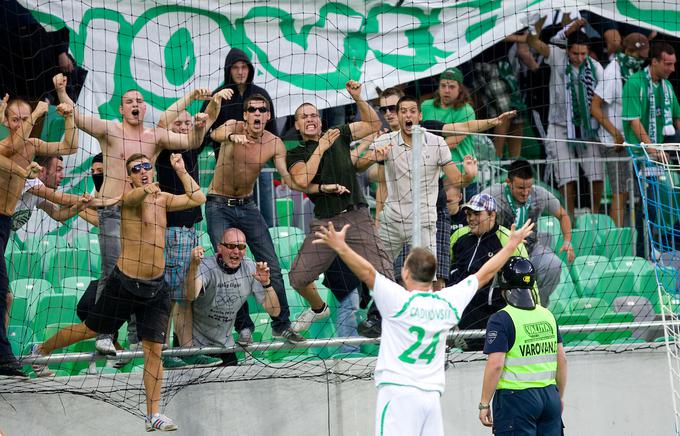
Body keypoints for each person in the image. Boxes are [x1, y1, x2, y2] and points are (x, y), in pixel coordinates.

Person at [312, 216, 535, 436]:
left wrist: (341, 247)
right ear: (432, 276)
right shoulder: (446, 303)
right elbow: (484, 274)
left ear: (405, 273)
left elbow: (368, 273)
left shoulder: (397, 301)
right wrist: (511, 245)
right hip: (430, 397)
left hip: (398, 394)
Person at [31, 152, 206, 431]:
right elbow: (134, 199)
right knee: (89, 329)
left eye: (147, 166)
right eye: (136, 169)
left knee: (154, 351)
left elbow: (198, 198)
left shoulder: (163, 199)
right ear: (130, 177)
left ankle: (153, 415)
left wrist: (181, 170)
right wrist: (144, 189)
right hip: (124, 284)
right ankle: (39, 350)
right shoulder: (127, 199)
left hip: (156, 288)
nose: (143, 171)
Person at [53, 73, 226, 355]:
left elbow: (193, 141)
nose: (136, 104)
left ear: (145, 108)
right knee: (111, 272)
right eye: (129, 101)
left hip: (144, 211)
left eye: (140, 101)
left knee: (141, 275)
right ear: (121, 109)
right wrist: (61, 91)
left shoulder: (154, 136)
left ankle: (135, 337)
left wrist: (202, 119)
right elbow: (77, 116)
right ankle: (105, 334)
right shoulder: (109, 130)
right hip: (113, 210)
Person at [286, 80, 393, 335]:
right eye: (304, 117)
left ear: (320, 121)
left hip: (356, 216)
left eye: (314, 115)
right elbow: (302, 180)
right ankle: (318, 308)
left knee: (386, 273)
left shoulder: (338, 133)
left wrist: (358, 98)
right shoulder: (296, 152)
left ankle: (387, 322)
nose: (311, 119)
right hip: (324, 224)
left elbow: (374, 125)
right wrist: (321, 148)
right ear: (298, 125)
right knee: (297, 278)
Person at [207, 94, 302, 343]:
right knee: (228, 265)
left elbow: (288, 177)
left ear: (268, 116)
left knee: (270, 264)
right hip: (219, 204)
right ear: (245, 115)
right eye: (252, 109)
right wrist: (231, 137)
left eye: (262, 110)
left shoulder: (274, 143)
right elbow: (213, 134)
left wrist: (313, 185)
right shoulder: (232, 127)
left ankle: (282, 324)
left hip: (248, 206)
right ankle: (244, 327)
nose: (257, 113)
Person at [154, 89, 232, 368]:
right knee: (170, 295)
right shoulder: (164, 148)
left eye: (187, 124)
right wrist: (189, 99)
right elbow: (163, 121)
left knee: (186, 295)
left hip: (190, 228)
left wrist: (215, 101)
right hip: (172, 229)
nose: (184, 127)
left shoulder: (191, 146)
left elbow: (207, 120)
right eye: (180, 124)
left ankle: (186, 350)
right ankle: (163, 353)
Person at [358, 95, 478, 277]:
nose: (408, 115)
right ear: (398, 117)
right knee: (376, 274)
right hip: (392, 221)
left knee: (426, 277)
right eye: (403, 111)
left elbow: (458, 181)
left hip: (423, 221)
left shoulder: (436, 143)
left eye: (412, 111)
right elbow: (358, 166)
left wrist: (469, 175)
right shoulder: (386, 141)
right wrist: (373, 157)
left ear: (420, 116)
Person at [0, 98, 78, 377]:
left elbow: (70, 147)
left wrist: (69, 118)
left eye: (25, 119)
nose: (22, 124)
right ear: (6, 122)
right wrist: (36, 113)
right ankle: (4, 356)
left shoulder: (32, 151)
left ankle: (4, 354)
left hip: (3, 231)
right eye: (16, 119)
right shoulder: (5, 150)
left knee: (6, 297)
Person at [479, 257, 567, 435]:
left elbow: (496, 364)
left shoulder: (501, 319)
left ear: (504, 285)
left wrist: (484, 403)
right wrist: (559, 397)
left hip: (516, 400)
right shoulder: (547, 315)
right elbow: (562, 360)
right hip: (549, 396)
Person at [528, 28, 605, 216]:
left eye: (583, 54)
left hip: (588, 129)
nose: (579, 58)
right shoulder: (556, 56)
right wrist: (563, 30)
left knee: (596, 174)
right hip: (559, 126)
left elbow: (603, 102)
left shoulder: (596, 68)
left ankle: (594, 217)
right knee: (566, 176)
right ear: (567, 50)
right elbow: (532, 41)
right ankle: (568, 217)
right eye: (575, 53)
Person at [202, 48, 277, 227]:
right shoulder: (218, 95)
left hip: (258, 163)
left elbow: (273, 132)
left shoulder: (261, 95)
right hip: (226, 165)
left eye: (244, 67)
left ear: (250, 69)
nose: (240, 71)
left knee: (265, 219)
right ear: (228, 70)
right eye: (235, 67)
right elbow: (205, 131)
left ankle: (269, 236)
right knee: (229, 219)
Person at [481, 159, 574, 306]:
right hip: (501, 252)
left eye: (528, 187)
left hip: (531, 248)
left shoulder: (539, 194)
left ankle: (537, 307)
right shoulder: (493, 194)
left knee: (554, 265)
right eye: (520, 188)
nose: (525, 193)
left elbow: (563, 215)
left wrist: (567, 240)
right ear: (509, 182)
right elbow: (476, 214)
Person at [449, 193, 531, 351]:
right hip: (459, 317)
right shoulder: (459, 236)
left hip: (492, 319)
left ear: (492, 215)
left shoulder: (509, 241)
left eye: (477, 214)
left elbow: (527, 282)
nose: (471, 218)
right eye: (468, 214)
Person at [185, 228, 279, 363]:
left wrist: (267, 284)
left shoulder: (250, 268)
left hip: (224, 346)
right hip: (195, 347)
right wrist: (194, 266)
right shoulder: (206, 265)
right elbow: (190, 295)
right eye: (230, 246)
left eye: (241, 247)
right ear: (219, 248)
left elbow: (275, 311)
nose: (236, 251)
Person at [591, 32, 649, 227]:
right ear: (628, 51)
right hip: (614, 142)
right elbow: (595, 107)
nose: (641, 60)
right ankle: (619, 240)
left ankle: (633, 238)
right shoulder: (613, 72)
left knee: (635, 192)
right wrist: (615, 132)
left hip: (633, 142)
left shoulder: (635, 73)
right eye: (638, 56)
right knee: (620, 192)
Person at [420, 67, 478, 199]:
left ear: (460, 89)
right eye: (443, 86)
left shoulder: (466, 110)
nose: (446, 90)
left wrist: (422, 150)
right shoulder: (425, 106)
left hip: (461, 176)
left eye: (451, 87)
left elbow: (453, 142)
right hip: (433, 175)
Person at [622, 41, 680, 151]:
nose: (673, 69)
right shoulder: (634, 83)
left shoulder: (667, 86)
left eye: (673, 64)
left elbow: (678, 118)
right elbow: (634, 122)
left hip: (663, 149)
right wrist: (654, 152)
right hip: (640, 152)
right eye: (668, 64)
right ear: (654, 62)